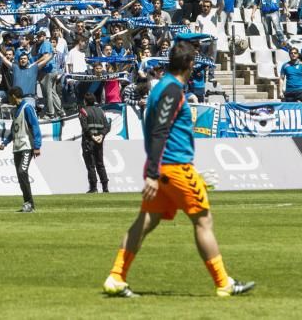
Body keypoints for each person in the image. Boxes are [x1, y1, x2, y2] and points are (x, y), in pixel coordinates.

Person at [102, 39, 255, 298]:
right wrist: (153, 173)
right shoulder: (172, 90)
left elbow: (158, 130)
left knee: (146, 221)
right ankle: (224, 283)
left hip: (164, 168)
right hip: (173, 167)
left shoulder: (161, 87)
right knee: (203, 221)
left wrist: (154, 170)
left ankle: (116, 277)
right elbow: (160, 130)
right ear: (189, 65)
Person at [0, 86, 41, 213]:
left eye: (9, 97)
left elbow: (35, 126)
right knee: (21, 176)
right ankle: (27, 203)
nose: (8, 100)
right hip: (17, 148)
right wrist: (5, 143)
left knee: (22, 172)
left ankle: (30, 204)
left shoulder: (27, 108)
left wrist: (37, 146)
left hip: (27, 146)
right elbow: (13, 131)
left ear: (14, 96)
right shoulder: (16, 111)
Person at [78, 92, 110, 193]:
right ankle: (105, 188)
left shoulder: (83, 111)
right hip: (99, 141)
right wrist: (101, 136)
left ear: (85, 101)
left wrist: (92, 137)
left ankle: (93, 187)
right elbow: (107, 126)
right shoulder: (101, 111)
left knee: (91, 165)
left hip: (88, 141)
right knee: (100, 164)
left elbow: (85, 127)